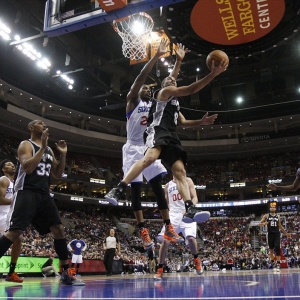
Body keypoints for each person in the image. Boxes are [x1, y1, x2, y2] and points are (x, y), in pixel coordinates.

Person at [105, 54, 227, 224]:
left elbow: (183, 123)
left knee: (180, 172)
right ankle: (118, 188)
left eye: (173, 80)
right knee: (150, 158)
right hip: (157, 130)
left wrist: (201, 121)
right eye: (168, 80)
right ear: (163, 85)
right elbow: (189, 89)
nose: (172, 80)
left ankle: (189, 207)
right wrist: (212, 74)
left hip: (171, 136)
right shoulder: (163, 93)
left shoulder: (174, 103)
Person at [0, 120, 84, 286]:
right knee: (14, 231)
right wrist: (43, 147)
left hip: (44, 194)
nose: (44, 124)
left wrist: (63, 154)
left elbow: (58, 174)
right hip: (26, 191)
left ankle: (66, 274)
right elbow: (27, 168)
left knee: (59, 229)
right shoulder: (26, 144)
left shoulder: (50, 149)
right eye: (39, 123)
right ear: (31, 128)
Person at [155, 176, 207, 280]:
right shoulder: (168, 185)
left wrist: (189, 207)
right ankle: (160, 269)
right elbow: (166, 202)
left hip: (187, 213)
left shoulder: (188, 180)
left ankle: (196, 259)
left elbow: (195, 198)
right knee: (165, 241)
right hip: (173, 215)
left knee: (191, 238)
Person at [0, 159, 23, 283]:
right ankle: (11, 272)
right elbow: (1, 200)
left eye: (13, 164)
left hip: (7, 215)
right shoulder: (4, 180)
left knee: (18, 238)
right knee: (17, 237)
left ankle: (11, 272)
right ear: (3, 169)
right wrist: (17, 201)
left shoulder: (15, 183)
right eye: (8, 165)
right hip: (2, 214)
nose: (12, 166)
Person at [258, 199, 291, 271]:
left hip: (276, 233)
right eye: (271, 207)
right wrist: (264, 224)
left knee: (277, 248)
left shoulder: (278, 216)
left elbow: (280, 226)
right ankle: (273, 262)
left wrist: (286, 233)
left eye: (273, 207)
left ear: (275, 209)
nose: (272, 208)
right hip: (270, 234)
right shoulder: (266, 216)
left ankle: (278, 264)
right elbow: (259, 224)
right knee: (271, 249)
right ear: (269, 209)